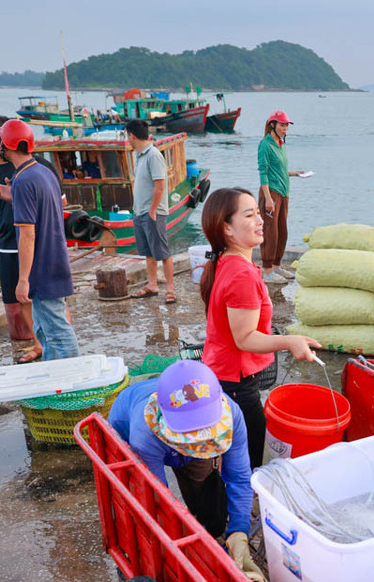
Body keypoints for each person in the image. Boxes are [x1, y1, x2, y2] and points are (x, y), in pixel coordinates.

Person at [199, 187, 320, 468]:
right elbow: (245, 338)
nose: (261, 220)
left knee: (237, 451)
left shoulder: (228, 261)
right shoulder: (241, 273)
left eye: (258, 213)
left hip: (221, 373)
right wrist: (290, 342)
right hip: (234, 382)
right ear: (226, 227)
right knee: (252, 459)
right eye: (250, 214)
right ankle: (246, 510)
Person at [108, 360, 252, 539]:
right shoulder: (144, 434)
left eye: (203, 438)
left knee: (206, 496)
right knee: (139, 505)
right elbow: (157, 497)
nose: (194, 446)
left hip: (179, 424)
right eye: (191, 439)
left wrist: (240, 530)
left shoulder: (232, 415)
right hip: (133, 429)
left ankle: (205, 533)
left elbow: (239, 477)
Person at [0, 119, 80, 361]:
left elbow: (28, 234)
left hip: (42, 267)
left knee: (57, 330)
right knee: (44, 328)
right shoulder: (42, 172)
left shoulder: (24, 181)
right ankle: (55, 376)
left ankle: (76, 380)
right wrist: (13, 196)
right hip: (55, 258)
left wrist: (22, 279)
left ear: (6, 145)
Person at [0, 114, 40, 362]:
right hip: (7, 241)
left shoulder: (34, 167)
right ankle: (34, 342)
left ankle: (50, 343)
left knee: (48, 296)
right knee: (16, 297)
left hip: (35, 239)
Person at [125, 120, 176, 303]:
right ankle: (152, 284)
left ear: (132, 136)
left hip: (152, 212)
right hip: (139, 212)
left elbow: (160, 185)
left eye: (127, 136)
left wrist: (153, 210)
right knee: (147, 251)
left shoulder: (153, 155)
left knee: (162, 251)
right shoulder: (139, 156)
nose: (128, 140)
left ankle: (170, 290)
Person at [258, 110, 306, 281]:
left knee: (281, 232)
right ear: (273, 125)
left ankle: (277, 266)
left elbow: (279, 170)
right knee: (269, 232)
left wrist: (294, 173)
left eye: (287, 125)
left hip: (284, 193)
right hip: (271, 193)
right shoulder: (265, 145)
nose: (285, 128)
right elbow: (263, 172)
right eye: (282, 125)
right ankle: (267, 270)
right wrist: (268, 199)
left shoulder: (280, 144)